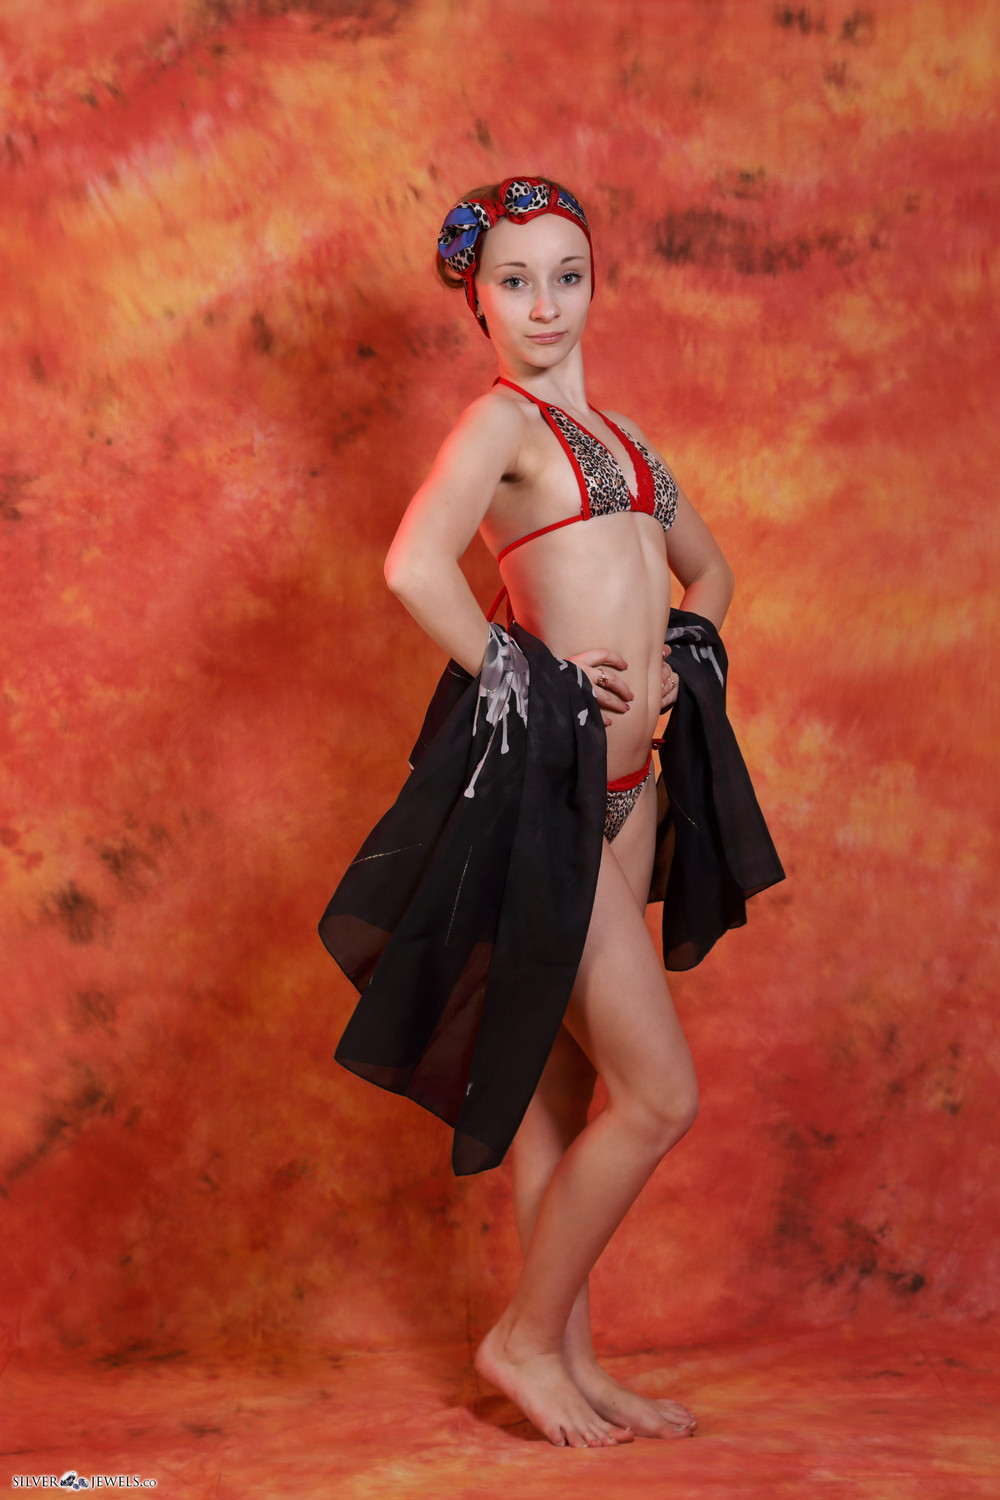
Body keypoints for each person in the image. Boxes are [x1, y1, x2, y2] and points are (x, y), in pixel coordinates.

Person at [318, 178, 783, 1449]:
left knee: (561, 1097)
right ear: (475, 298)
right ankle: (522, 1340)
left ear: (593, 282)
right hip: (550, 796)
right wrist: (521, 673)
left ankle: (570, 1364)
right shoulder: (500, 425)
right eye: (514, 281)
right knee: (659, 1095)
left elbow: (709, 570)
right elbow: (413, 565)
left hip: (629, 796)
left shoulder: (626, 441)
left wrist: (686, 652)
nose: (544, 304)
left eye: (566, 275)